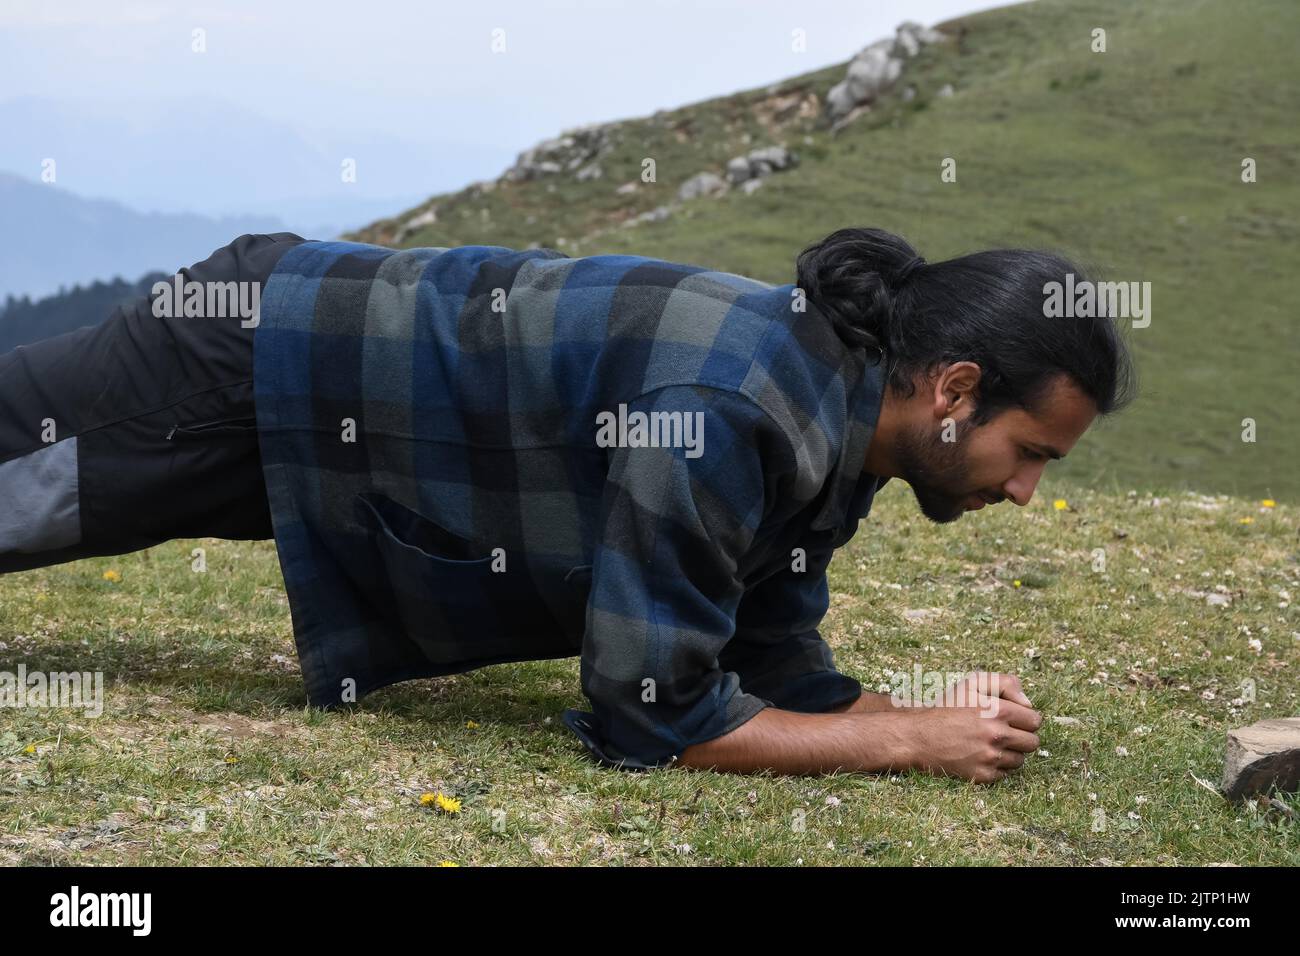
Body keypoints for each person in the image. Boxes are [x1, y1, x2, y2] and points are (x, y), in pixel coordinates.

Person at [0, 226, 1135, 782]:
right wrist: (903, 740)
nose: (1027, 490)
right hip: (254, 358)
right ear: (954, 390)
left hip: (327, 410)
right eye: (1028, 451)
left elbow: (756, 652)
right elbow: (653, 709)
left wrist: (929, 705)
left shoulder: (832, 406)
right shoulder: (732, 407)